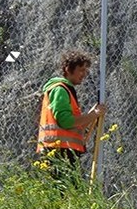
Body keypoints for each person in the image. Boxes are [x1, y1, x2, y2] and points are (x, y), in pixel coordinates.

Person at [36, 51, 106, 179]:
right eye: (81, 70)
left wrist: (92, 115)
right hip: (58, 152)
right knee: (63, 195)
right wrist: (94, 114)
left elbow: (72, 126)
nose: (84, 74)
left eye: (85, 70)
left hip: (62, 150)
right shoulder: (60, 90)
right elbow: (66, 121)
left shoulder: (65, 90)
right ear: (68, 69)